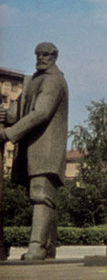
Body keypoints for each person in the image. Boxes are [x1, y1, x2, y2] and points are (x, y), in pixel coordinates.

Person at [0, 43, 68, 260]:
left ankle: (37, 246)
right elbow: (16, 112)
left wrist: (9, 134)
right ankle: (47, 247)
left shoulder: (55, 80)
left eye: (45, 54)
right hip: (33, 148)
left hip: (47, 148)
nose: (41, 58)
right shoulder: (33, 80)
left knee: (41, 194)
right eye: (38, 54)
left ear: (55, 56)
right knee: (46, 197)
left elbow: (41, 113)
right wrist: (6, 115)